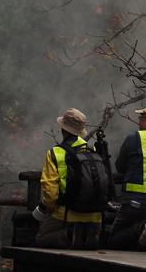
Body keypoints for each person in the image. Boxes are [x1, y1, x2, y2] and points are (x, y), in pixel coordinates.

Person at [33, 107, 103, 249]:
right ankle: (89, 233)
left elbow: (51, 194)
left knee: (41, 238)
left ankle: (71, 234)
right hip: (95, 214)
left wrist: (50, 209)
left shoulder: (55, 153)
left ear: (63, 129)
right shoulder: (92, 151)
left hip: (67, 214)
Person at [107, 106, 146, 249]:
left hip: (133, 203)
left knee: (114, 240)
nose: (139, 121)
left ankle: (142, 227)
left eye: (141, 118)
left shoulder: (133, 139)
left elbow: (120, 166)